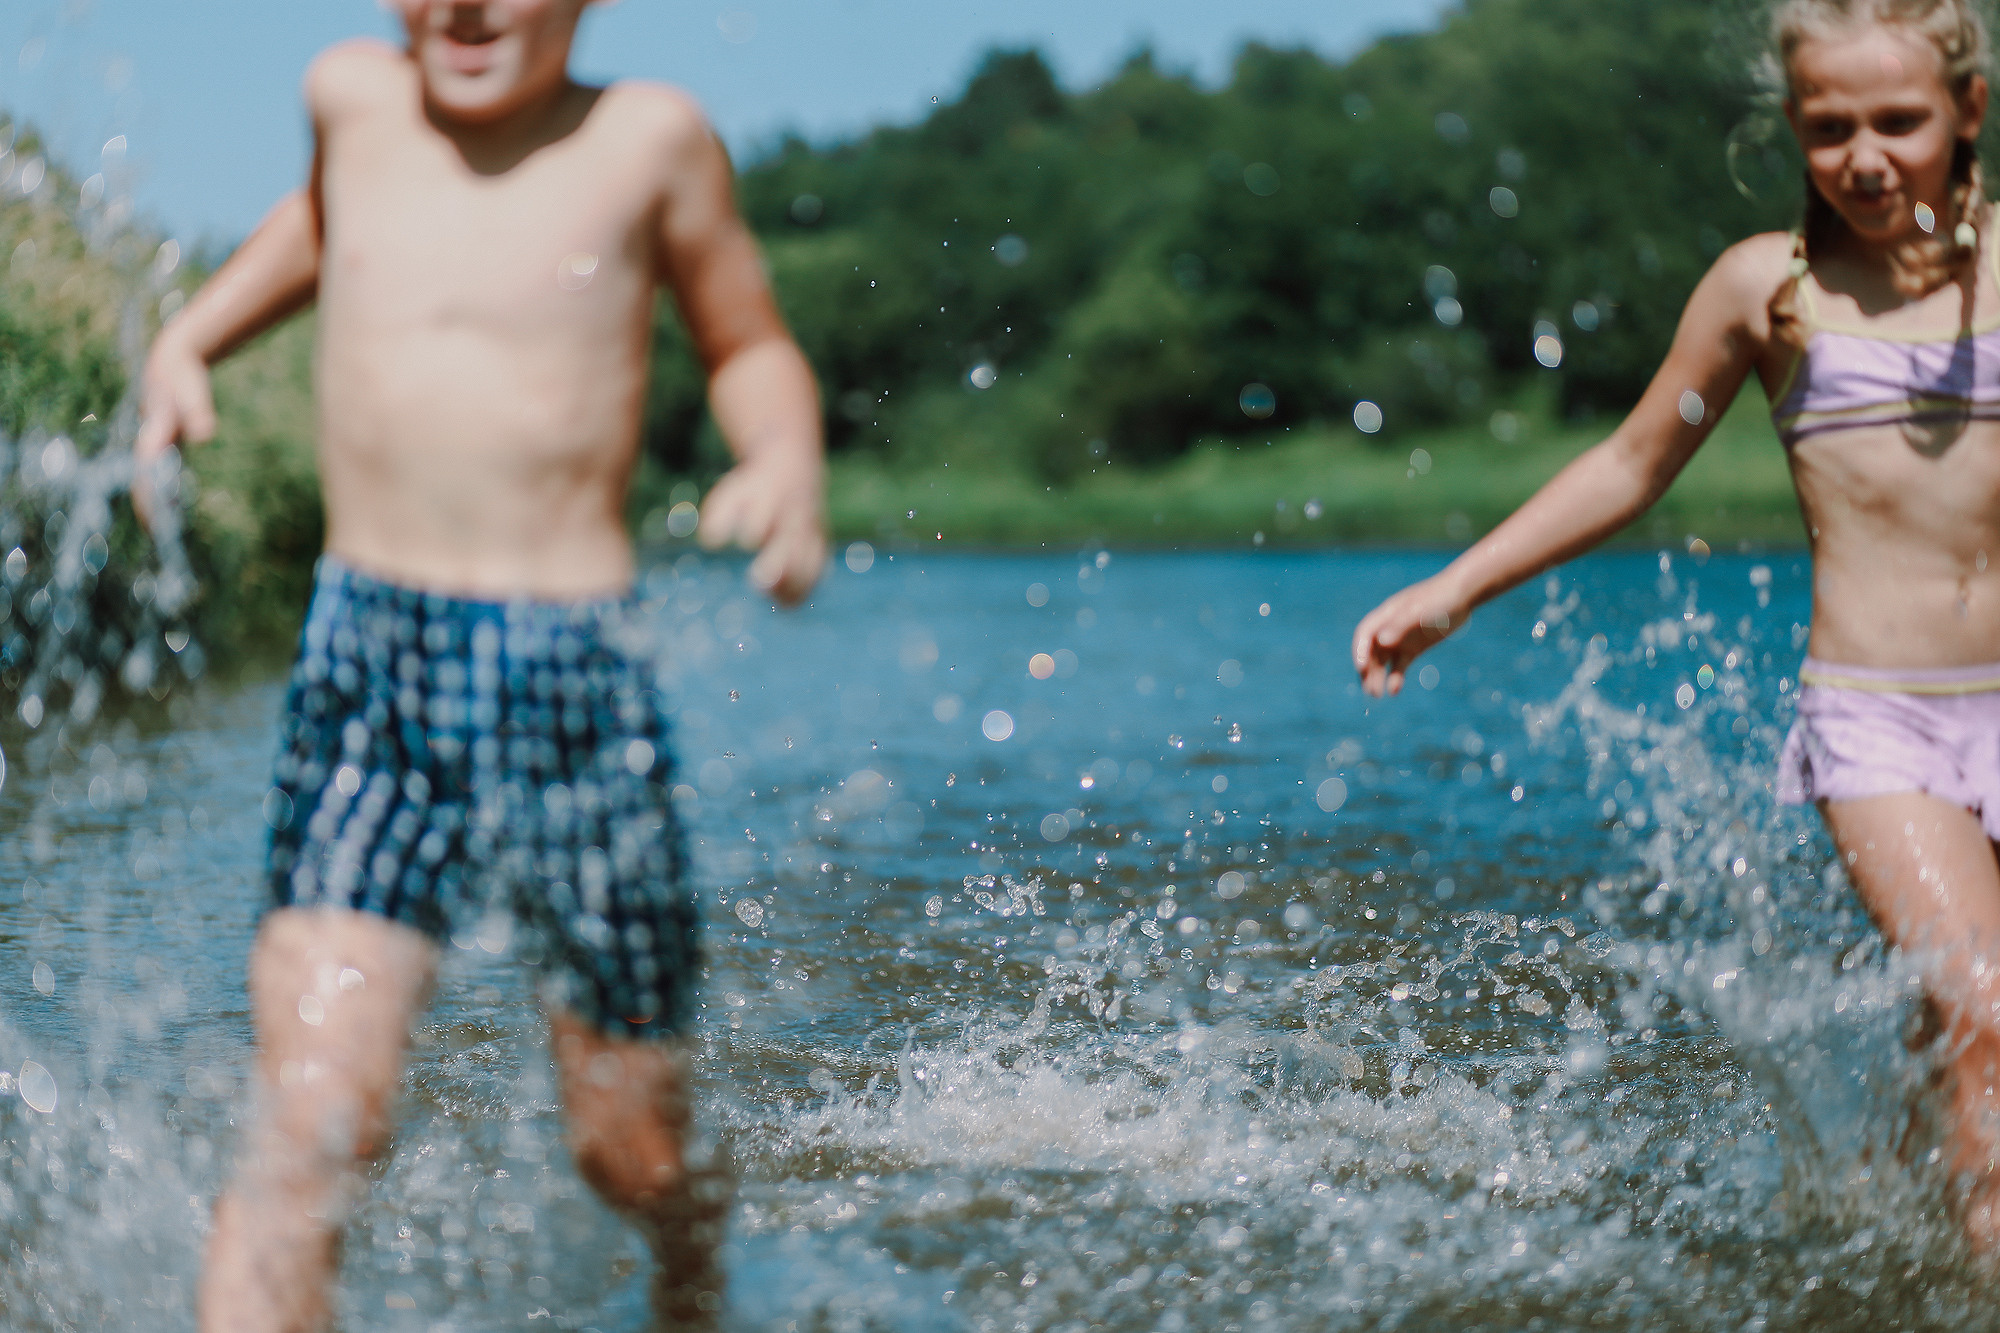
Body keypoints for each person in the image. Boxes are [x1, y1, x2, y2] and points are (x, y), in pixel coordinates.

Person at [134, 0, 827, 1326]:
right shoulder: (351, 97)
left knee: (630, 1151)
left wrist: (784, 460)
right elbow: (326, 221)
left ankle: (691, 1255)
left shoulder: (647, 142)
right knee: (315, 1118)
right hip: (369, 659)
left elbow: (746, 341)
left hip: (570, 677)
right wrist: (192, 336)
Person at [1352, 0, 2000, 1249]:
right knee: (1985, 1012)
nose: (1863, 156)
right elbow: (1630, 461)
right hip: (1881, 730)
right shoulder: (1771, 288)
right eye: (1827, 128)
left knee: (1956, 1040)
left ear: (1966, 112)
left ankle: (1888, 1249)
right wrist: (1455, 588)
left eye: (1898, 123)